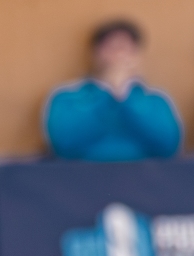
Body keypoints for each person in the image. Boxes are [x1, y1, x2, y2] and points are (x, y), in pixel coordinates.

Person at [43, 19, 181, 161]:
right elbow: (64, 146)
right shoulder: (66, 96)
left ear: (137, 56)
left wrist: (125, 95)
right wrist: (106, 93)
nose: (119, 54)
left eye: (126, 48)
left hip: (145, 173)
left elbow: (167, 147)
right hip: (80, 173)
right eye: (112, 47)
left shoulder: (156, 98)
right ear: (96, 53)